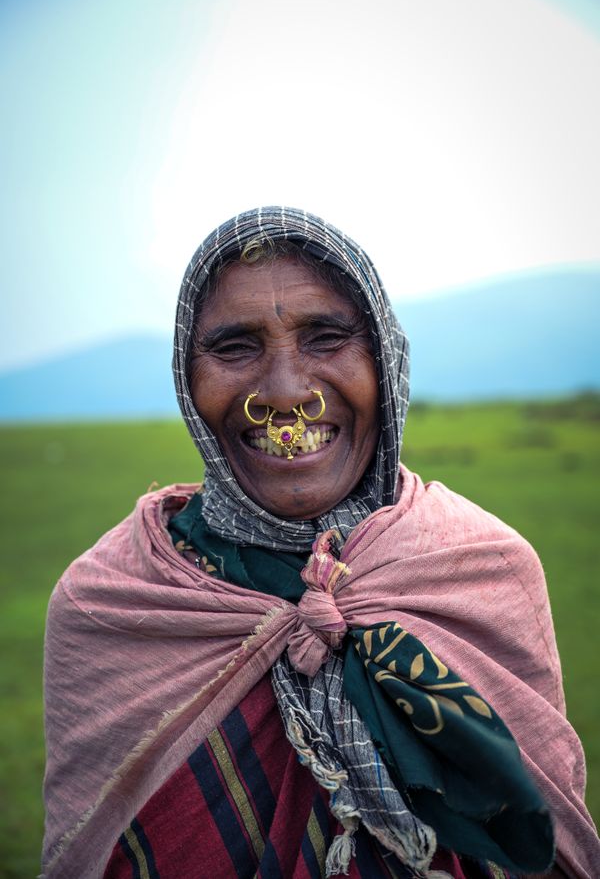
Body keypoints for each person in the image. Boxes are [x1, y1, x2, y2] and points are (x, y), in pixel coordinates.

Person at [42, 207, 598, 879]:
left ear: (385, 360)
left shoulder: (483, 571)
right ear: (187, 379)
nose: (284, 392)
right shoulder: (113, 603)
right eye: (235, 346)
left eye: (327, 337)